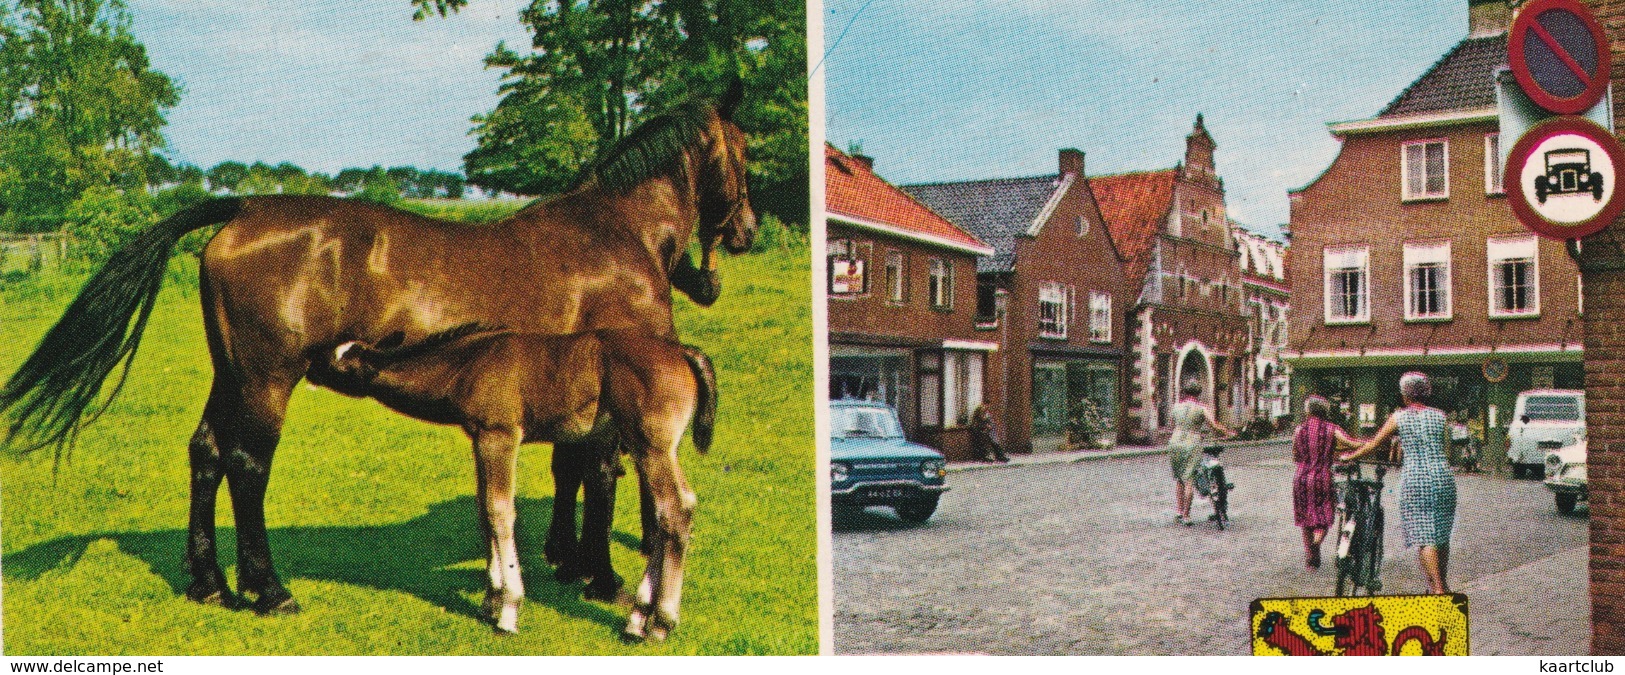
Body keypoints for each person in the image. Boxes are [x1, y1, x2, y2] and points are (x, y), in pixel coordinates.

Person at [1340, 372, 1457, 594]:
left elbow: (1374, 444)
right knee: (1441, 534)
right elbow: (1447, 451)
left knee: (1425, 537)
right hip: (1443, 477)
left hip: (1415, 479)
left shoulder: (1399, 417)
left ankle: (1438, 588)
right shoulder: (1441, 417)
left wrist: (1351, 456)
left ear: (1405, 395)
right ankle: (1442, 584)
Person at [1293, 395, 1365, 570]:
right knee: (1324, 517)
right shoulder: (1332, 429)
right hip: (1322, 478)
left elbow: (1295, 454)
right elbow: (1351, 443)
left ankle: (1312, 559)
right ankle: (1317, 542)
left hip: (1301, 478)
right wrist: (1366, 444)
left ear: (1308, 410)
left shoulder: (1299, 429)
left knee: (1306, 519)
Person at [1168, 379, 1235, 526]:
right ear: (1199, 393)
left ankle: (1179, 511)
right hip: (1192, 442)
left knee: (1179, 479)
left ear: (1185, 392)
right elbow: (1214, 426)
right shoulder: (1201, 408)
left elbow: (1172, 424)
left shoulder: (1176, 406)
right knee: (1189, 480)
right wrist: (1228, 433)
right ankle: (1186, 516)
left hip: (1175, 442)